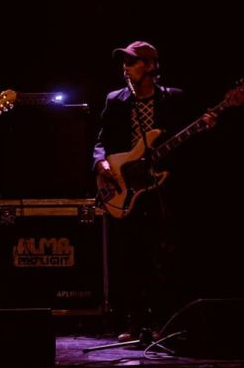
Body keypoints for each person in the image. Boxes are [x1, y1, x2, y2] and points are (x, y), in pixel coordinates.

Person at [92, 40, 196, 343]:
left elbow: (185, 147)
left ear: (151, 66)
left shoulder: (174, 100)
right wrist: (102, 165)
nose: (126, 67)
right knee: (131, 257)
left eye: (133, 62)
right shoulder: (116, 100)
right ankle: (135, 322)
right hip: (128, 189)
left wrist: (203, 126)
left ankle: (164, 322)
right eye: (125, 62)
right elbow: (101, 141)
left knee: (163, 258)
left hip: (161, 189)